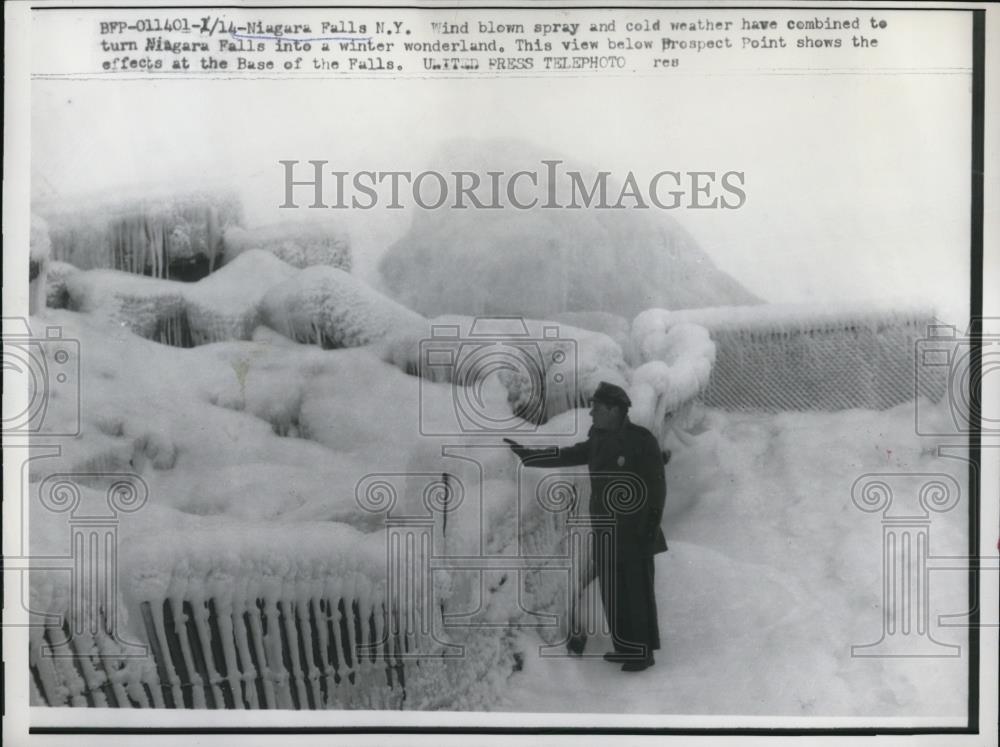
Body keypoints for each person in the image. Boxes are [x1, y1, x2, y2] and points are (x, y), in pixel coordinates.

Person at [504, 381, 667, 672]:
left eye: (596, 408)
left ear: (614, 410)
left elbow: (656, 491)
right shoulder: (599, 438)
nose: (591, 413)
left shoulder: (641, 440)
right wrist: (529, 455)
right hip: (606, 531)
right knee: (613, 594)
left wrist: (648, 531)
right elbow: (570, 454)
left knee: (637, 595)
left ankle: (643, 653)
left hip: (636, 533)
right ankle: (625, 648)